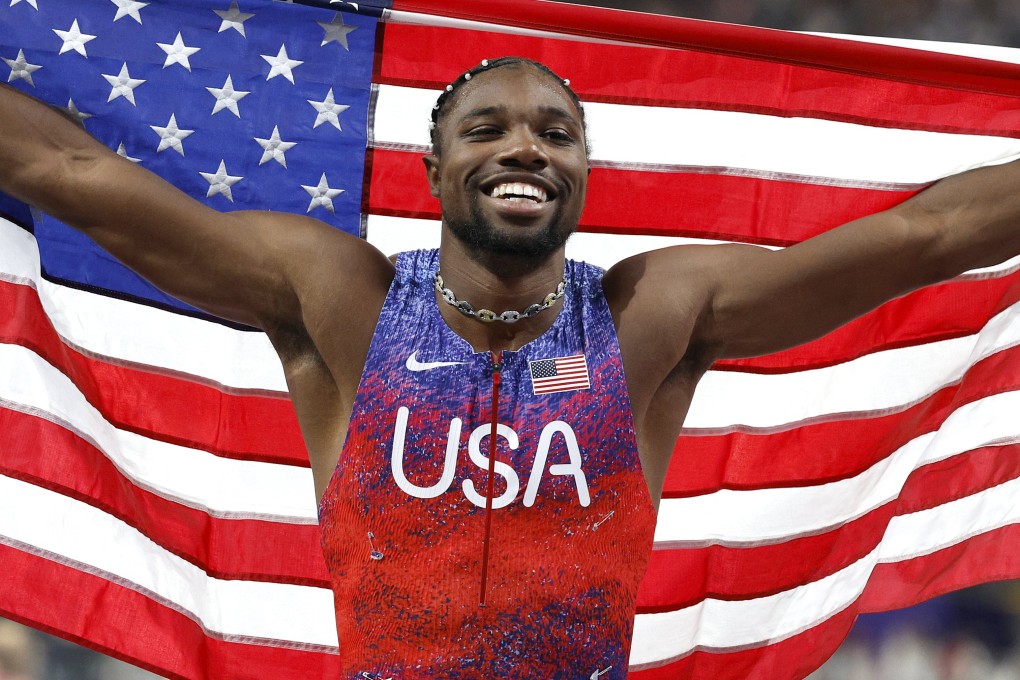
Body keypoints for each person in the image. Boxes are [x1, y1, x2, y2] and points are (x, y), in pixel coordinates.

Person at [1, 55, 1019, 677]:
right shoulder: (340, 298)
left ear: (584, 171)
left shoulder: (647, 318)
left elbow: (927, 235)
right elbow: (73, 175)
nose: (524, 148)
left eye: (554, 133)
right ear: (435, 168)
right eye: (486, 129)